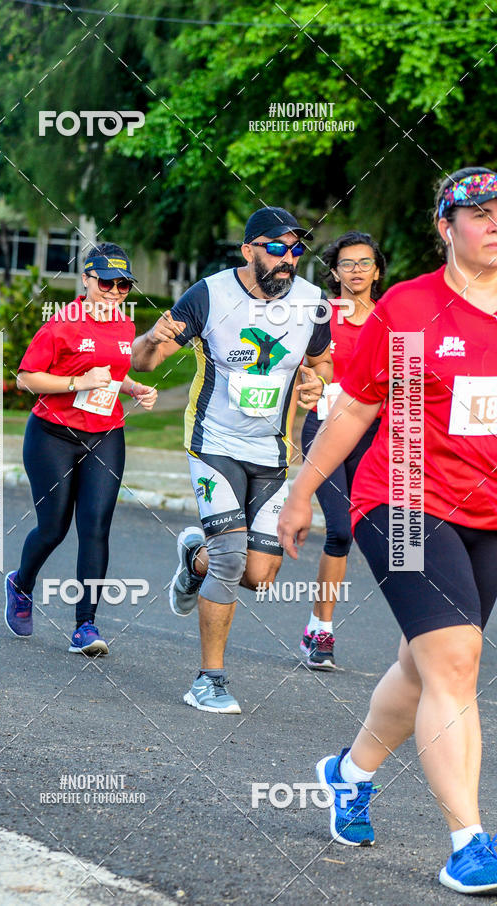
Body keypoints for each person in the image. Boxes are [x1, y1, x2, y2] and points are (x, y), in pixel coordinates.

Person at [277, 167, 497, 894]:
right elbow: (358, 409)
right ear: (445, 226)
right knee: (457, 659)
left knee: (423, 664)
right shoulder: (409, 310)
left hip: (488, 514)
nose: (494, 222)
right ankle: (469, 842)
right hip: (403, 500)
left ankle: (347, 774)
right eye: (479, 212)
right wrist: (301, 492)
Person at [132, 207, 332, 713]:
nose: (288, 259)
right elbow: (144, 360)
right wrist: (151, 341)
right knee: (229, 557)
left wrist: (317, 381)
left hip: (272, 452)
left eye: (295, 249)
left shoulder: (313, 303)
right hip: (214, 442)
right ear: (248, 250)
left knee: (259, 574)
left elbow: (320, 361)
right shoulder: (210, 294)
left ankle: (191, 559)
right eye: (277, 247)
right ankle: (209, 679)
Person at [6, 242, 157, 655]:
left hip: (105, 435)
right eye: (107, 282)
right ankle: (20, 584)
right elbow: (25, 378)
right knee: (53, 527)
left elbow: (112, 374)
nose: (114, 292)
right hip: (52, 435)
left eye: (124, 285)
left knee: (95, 527)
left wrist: (133, 387)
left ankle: (85, 627)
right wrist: (78, 383)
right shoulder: (62, 324)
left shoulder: (125, 326)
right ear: (87, 279)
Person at [300, 231, 386, 669]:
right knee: (340, 530)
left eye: (364, 262)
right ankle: (320, 631)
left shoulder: (392, 319)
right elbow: (299, 363)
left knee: (394, 539)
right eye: (347, 263)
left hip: (373, 436)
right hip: (325, 428)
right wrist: (307, 382)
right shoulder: (320, 314)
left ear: (376, 269)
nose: (356, 270)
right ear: (334, 271)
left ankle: (424, 636)